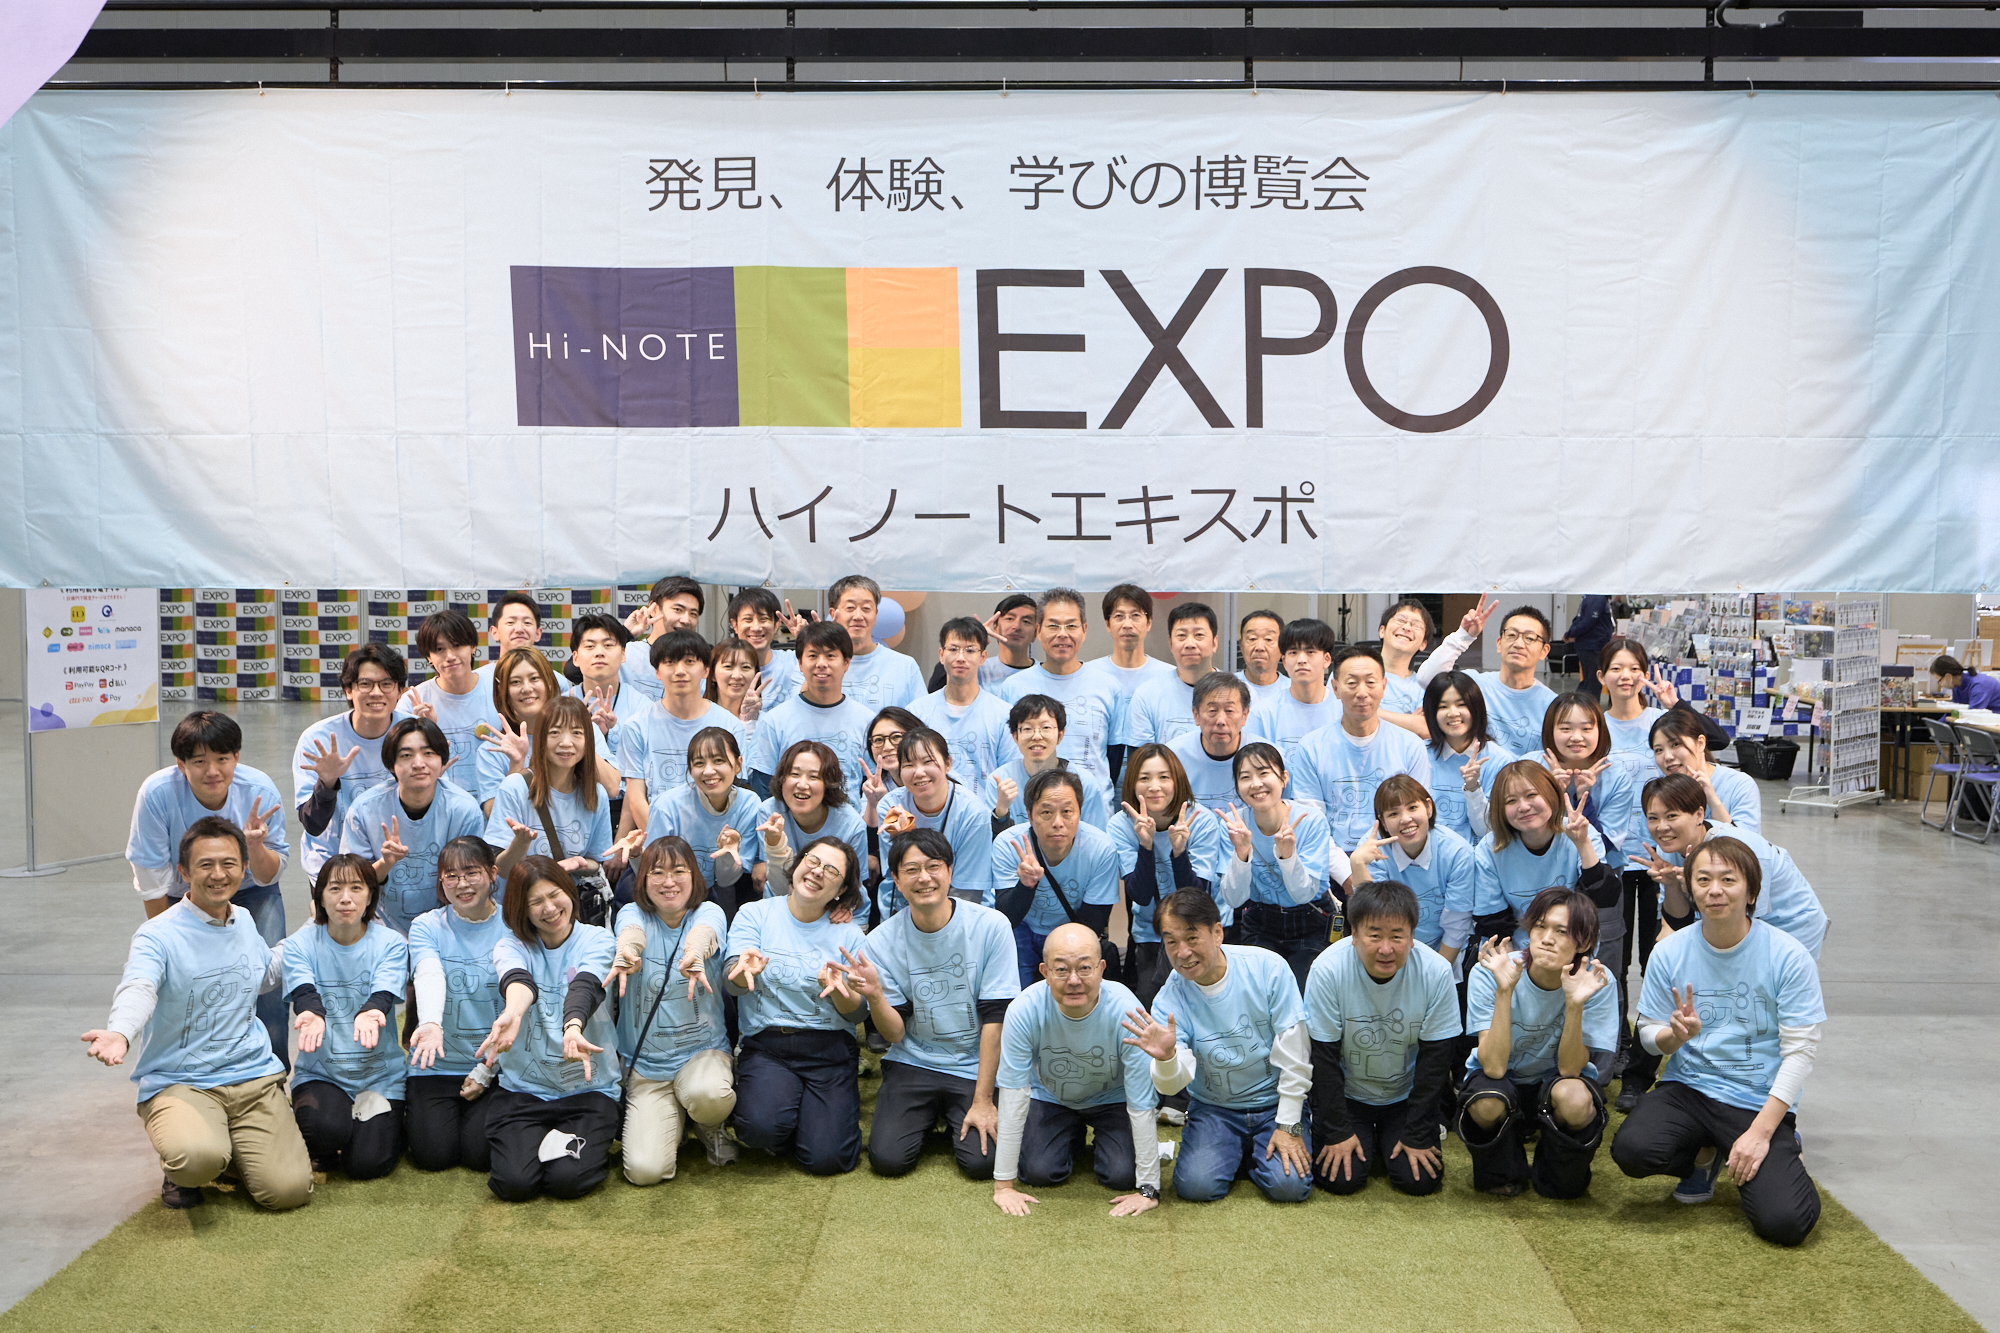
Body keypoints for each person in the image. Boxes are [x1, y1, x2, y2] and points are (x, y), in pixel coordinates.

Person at [83, 817, 313, 1212]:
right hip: (183, 1080)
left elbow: (263, 976)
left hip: (251, 1077)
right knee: (196, 1160)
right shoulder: (158, 934)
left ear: (244, 868)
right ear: (184, 872)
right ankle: (197, 1149)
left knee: (289, 1191)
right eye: (206, 864)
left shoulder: (243, 920)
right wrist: (120, 1032)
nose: (218, 874)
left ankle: (230, 1143)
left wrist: (317, 927)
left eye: (228, 863)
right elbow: (140, 986)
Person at [1611, 835, 1826, 1247]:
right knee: (1633, 1150)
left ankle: (1779, 1148)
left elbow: (1800, 1053)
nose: (1715, 890)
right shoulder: (1670, 951)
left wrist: (1761, 1133)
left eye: (1728, 880)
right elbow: (1649, 1035)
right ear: (1690, 890)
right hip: (1690, 1089)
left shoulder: (1789, 956)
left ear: (1752, 892)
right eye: (1703, 879)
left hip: (1757, 1099)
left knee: (1786, 1222)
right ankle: (1703, 1156)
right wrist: (1673, 1036)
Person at [847, 829, 1020, 1179]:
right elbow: (895, 1035)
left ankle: (950, 1112)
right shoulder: (880, 941)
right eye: (911, 870)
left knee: (982, 1164)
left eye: (933, 866)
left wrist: (983, 1100)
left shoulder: (991, 926)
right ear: (896, 880)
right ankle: (934, 1115)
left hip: (974, 1063)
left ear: (950, 871)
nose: (924, 878)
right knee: (888, 1161)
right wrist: (876, 996)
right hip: (914, 1061)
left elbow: (996, 1019)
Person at [1124, 888, 1314, 1203]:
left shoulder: (1268, 968)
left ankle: (1248, 1150)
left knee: (1289, 1187)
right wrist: (1167, 1057)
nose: (1183, 952)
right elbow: (1173, 1084)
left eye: (1192, 938)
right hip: (1215, 1108)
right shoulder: (1168, 1001)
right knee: (1196, 1187)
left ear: (1217, 933)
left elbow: (1296, 1054)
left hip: (1274, 1103)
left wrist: (1288, 1123)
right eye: (1171, 942)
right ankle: (1238, 1150)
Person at [126, 710, 291, 1058]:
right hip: (182, 896)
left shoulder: (259, 790)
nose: (212, 771)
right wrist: (166, 937)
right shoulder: (157, 793)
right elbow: (151, 879)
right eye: (199, 761)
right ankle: (185, 1061)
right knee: (182, 979)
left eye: (222, 759)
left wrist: (255, 847)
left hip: (252, 890)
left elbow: (268, 875)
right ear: (181, 764)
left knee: (267, 982)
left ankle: (273, 1068)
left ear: (236, 758)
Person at [474, 857, 623, 1202]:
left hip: (590, 1090)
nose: (550, 908)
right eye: (536, 902)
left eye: (554, 895)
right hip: (524, 1090)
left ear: (569, 892)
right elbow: (518, 980)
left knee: (567, 1181)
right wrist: (513, 1012)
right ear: (521, 909)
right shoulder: (510, 946)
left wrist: (573, 1025)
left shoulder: (598, 939)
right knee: (515, 1184)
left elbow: (585, 985)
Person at [991, 924, 1161, 1217]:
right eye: (1061, 970)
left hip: (1113, 1100)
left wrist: (1149, 1189)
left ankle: (1093, 1139)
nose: (1073, 980)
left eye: (1084, 968)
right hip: (1051, 1097)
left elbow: (1141, 1101)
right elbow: (1013, 1093)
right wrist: (1003, 1186)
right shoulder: (1024, 1009)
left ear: (1101, 969)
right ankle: (1070, 1135)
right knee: (1038, 1171)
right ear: (1044, 972)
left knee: (1121, 1175)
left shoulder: (1127, 1011)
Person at [1305, 880, 1461, 1197]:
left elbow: (1436, 1061)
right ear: (1354, 934)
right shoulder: (1327, 970)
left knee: (1419, 1181)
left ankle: (1385, 1138)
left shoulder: (1436, 972)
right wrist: (1338, 1131)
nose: (1386, 948)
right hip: (1348, 1095)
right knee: (1340, 1180)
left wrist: (1417, 1133)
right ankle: (1366, 1137)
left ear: (1412, 937)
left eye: (1397, 936)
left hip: (1405, 1096)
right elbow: (1322, 1058)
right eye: (1374, 935)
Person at [724, 836, 870, 1175]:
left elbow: (859, 1013)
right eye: (813, 861)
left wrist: (839, 992)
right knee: (758, 1128)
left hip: (829, 1050)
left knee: (827, 1160)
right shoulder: (755, 913)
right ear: (798, 864)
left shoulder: (850, 934)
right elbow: (731, 984)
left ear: (841, 890)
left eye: (831, 871)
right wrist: (742, 972)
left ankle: (814, 1119)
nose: (818, 871)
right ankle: (791, 1112)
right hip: (768, 1047)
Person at [1459, 888, 1617, 1198]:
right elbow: (1493, 1067)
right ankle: (1504, 1168)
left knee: (1575, 1100)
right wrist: (1505, 990)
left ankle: (1555, 1171)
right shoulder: (1491, 970)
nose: (1546, 939)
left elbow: (1571, 1069)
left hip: (1556, 1081)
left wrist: (1574, 1004)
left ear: (1584, 942)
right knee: (1487, 1102)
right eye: (1540, 927)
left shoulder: (1595, 980)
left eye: (1561, 931)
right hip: (1503, 1079)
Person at [605, 836, 737, 1184]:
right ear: (643, 879)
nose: (668, 882)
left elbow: (704, 934)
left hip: (702, 1053)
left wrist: (694, 953)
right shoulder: (632, 913)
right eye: (657, 872)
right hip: (647, 1067)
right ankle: (674, 1116)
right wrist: (626, 952)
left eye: (679, 871)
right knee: (644, 1171)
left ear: (694, 876)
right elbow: (631, 934)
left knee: (708, 1095)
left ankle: (707, 1123)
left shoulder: (708, 911)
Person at [282, 854, 410, 1181]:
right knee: (322, 1133)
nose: (345, 898)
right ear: (320, 897)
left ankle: (375, 1126)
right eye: (335, 888)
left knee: (367, 1165)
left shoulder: (391, 943)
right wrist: (311, 1013)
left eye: (356, 887)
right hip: (322, 1075)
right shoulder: (299, 944)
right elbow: (304, 991)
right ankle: (339, 1124)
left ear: (370, 896)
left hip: (380, 1077)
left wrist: (371, 1012)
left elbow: (383, 993)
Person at [1634, 774, 1828, 959]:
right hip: (1735, 925)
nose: (1662, 827)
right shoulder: (1668, 848)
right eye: (1653, 818)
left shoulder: (1738, 849)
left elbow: (1749, 922)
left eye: (1671, 816)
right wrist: (1672, 886)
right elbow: (1680, 922)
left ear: (1699, 814)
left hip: (1792, 925)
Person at [405, 838, 509, 1173]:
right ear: (441, 881)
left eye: (471, 873)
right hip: (435, 1062)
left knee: (479, 1156)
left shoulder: (513, 925)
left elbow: (520, 1007)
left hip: (494, 1064)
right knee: (433, 1156)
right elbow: (428, 972)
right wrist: (431, 1023)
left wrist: (488, 1069)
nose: (462, 884)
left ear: (492, 874)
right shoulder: (426, 925)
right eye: (451, 876)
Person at [340, 717, 487, 935]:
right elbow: (350, 882)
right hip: (378, 928)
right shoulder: (364, 809)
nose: (419, 763)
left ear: (442, 760)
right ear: (391, 764)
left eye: (428, 753)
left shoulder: (464, 810)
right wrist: (385, 864)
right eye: (406, 755)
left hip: (447, 926)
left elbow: (473, 883)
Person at [1216, 743, 1342, 995]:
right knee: (1261, 995)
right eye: (1245, 777)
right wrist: (1241, 854)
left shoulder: (1310, 820)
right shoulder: (1233, 826)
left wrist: (1287, 855)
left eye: (1264, 773)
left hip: (1311, 918)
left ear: (1284, 778)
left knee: (1305, 992)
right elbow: (1234, 899)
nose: (1256, 784)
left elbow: (1303, 894)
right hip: (1261, 920)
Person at [1538, 691, 1644, 982]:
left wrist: (1584, 797)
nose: (1577, 737)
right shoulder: (1533, 768)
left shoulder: (1615, 776)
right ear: (1550, 731)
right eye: (1565, 728)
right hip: (1545, 877)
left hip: (1599, 881)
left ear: (1600, 731)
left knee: (1601, 969)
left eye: (1587, 728)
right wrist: (1552, 792)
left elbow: (1606, 845)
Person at [1110, 743, 1228, 1006]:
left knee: (1205, 1004)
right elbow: (1140, 896)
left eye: (1164, 777)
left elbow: (1197, 898)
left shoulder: (1200, 820)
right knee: (1150, 1007)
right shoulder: (1120, 825)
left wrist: (1179, 851)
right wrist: (1146, 845)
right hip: (1150, 934)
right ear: (1132, 784)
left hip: (1199, 930)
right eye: (1144, 778)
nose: (1155, 787)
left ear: (1177, 781)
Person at [990, 769, 1128, 987]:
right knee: (1014, 993)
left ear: (1080, 813)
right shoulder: (1009, 844)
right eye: (1046, 812)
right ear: (1029, 815)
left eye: (1067, 811)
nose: (1057, 822)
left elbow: (1093, 922)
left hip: (1073, 930)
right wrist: (1026, 885)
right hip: (1023, 930)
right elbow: (1007, 919)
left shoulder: (1101, 849)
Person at [1289, 646, 1433, 854]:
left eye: (1370, 682)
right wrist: (1347, 870)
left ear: (1383, 686)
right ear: (1335, 689)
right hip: (1333, 859)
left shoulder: (1410, 746)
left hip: (1393, 857)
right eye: (1352, 683)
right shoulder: (1311, 747)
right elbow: (1312, 824)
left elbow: (1417, 818)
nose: (1362, 693)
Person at [614, 629, 749, 843]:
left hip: (716, 843)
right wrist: (666, 848)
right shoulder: (636, 726)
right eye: (669, 662)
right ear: (657, 672)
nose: (680, 671)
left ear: (706, 670)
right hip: (658, 844)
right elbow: (637, 799)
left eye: (689, 662)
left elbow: (735, 794)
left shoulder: (729, 725)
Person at [486, 696, 635, 887]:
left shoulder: (596, 793)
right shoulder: (515, 786)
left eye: (576, 733)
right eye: (555, 732)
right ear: (541, 739)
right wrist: (520, 844)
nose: (566, 742)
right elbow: (501, 869)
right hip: (522, 899)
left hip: (566, 900)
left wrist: (579, 864)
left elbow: (596, 860)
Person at [292, 643, 408, 881]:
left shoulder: (413, 734)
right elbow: (313, 824)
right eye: (365, 684)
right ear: (348, 690)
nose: (376, 692)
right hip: (334, 867)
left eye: (386, 684)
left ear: (400, 691)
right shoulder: (318, 740)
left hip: (398, 863)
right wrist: (327, 784)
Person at [1474, 761, 1613, 948]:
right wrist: (1511, 966)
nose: (1524, 807)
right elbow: (1493, 923)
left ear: (1551, 794)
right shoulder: (1490, 849)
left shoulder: (1580, 832)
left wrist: (1583, 843)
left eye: (1531, 795)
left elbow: (1604, 898)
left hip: (1571, 948)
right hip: (1515, 952)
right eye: (1511, 801)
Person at [1351, 774, 1480, 968]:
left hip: (1442, 953)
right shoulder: (1371, 850)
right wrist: (1357, 864)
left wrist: (1436, 974)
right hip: (1387, 951)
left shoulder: (1457, 853)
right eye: (1393, 814)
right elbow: (1371, 919)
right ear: (1382, 822)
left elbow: (1457, 926)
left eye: (1412, 808)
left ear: (1428, 807)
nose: (1405, 819)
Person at [993, 588, 1118, 786]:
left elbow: (1115, 754)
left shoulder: (1108, 686)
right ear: (1038, 630)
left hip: (1092, 801)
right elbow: (1007, 752)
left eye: (1071, 626)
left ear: (1084, 630)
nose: (1062, 634)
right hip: (1031, 800)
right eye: (1053, 626)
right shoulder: (1014, 687)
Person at [644, 726, 766, 915]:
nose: (709, 771)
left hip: (718, 889)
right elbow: (652, 871)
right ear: (690, 769)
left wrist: (726, 855)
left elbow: (726, 880)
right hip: (669, 889)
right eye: (699, 763)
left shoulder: (749, 804)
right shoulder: (667, 806)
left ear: (738, 764)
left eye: (718, 761)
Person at [748, 620, 876, 797]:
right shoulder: (775, 721)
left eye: (830, 656)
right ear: (800, 663)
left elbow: (872, 783)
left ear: (846, 663)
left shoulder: (867, 721)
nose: (821, 663)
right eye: (813, 655)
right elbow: (763, 786)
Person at [874, 729, 995, 915]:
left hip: (963, 909)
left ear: (947, 764)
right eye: (909, 765)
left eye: (928, 762)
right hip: (904, 906)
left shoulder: (973, 814)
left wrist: (909, 836)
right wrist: (901, 840)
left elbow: (968, 890)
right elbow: (896, 877)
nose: (919, 772)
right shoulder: (890, 806)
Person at [404, 610, 504, 798]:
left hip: (496, 804)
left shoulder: (501, 691)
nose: (449, 656)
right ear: (428, 657)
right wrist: (423, 729)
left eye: (457, 645)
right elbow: (401, 762)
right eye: (439, 649)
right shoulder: (413, 701)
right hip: (440, 805)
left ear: (473, 647)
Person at [910, 616, 1014, 795]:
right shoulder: (917, 712)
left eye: (970, 650)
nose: (960, 658)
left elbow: (1009, 776)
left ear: (983, 657)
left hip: (986, 811)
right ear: (941, 655)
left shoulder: (1003, 714)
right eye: (953, 649)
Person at [756, 740, 870, 902]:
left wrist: (843, 908)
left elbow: (853, 888)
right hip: (782, 902)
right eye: (794, 774)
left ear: (828, 784)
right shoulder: (769, 813)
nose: (802, 785)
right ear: (782, 779)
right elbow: (779, 888)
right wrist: (775, 846)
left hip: (834, 906)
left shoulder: (851, 825)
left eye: (813, 777)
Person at [985, 695, 1113, 832]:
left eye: (1045, 727)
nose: (1036, 736)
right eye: (1027, 729)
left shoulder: (1084, 782)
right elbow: (991, 839)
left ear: (1060, 735)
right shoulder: (1000, 781)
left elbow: (1096, 836)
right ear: (1015, 737)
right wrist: (1001, 812)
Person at [1092, 584, 1178, 775]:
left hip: (1154, 780)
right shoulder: (1090, 675)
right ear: (1108, 624)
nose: (1127, 624)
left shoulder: (1169, 676)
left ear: (1149, 622)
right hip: (1100, 779)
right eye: (1119, 616)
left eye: (1135, 615)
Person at [1420, 671, 1514, 843]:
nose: (1453, 713)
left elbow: (1487, 830)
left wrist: (1473, 788)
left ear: (1476, 708)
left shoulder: (1500, 761)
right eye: (1443, 707)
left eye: (1461, 704)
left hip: (1476, 854)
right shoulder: (1418, 754)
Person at [563, 611, 637, 819]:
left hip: (627, 809)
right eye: (589, 646)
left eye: (608, 645)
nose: (599, 653)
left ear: (623, 654)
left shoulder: (643, 708)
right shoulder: (559, 707)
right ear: (575, 658)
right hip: (572, 808)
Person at [1379, 595, 1497, 718]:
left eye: (1416, 625)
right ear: (1382, 630)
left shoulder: (1423, 686)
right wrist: (1409, 720)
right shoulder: (1364, 670)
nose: (1406, 627)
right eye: (1400, 620)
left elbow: (1422, 726)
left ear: (1423, 644)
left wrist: (1463, 636)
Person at [1244, 617, 1341, 767]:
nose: (1301, 660)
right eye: (1293, 652)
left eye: (1310, 652)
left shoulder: (1344, 710)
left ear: (1326, 659)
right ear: (1284, 661)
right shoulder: (1263, 713)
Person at [1125, 600, 1223, 749]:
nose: (1190, 644)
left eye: (1199, 635)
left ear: (1214, 643)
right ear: (1170, 643)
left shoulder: (1237, 693)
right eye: (1181, 636)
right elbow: (1140, 759)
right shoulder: (1147, 695)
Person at [1649, 706, 1762, 833]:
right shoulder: (1660, 791)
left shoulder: (1740, 785)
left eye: (1675, 744)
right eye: (1659, 750)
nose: (1667, 757)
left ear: (1700, 743)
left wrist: (1712, 800)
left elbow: (1746, 842)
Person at [474, 645, 559, 811]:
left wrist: (580, 733)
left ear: (549, 682)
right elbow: (493, 814)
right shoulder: (491, 751)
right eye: (515, 682)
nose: (526, 689)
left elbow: (611, 788)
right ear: (503, 692)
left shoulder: (582, 733)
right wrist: (516, 765)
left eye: (534, 679)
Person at [827, 575, 927, 710]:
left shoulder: (905, 666)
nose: (858, 616)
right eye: (850, 607)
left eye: (866, 608)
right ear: (833, 614)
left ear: (876, 614)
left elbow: (921, 718)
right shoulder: (819, 665)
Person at [1470, 606, 1559, 757]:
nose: (1519, 644)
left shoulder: (1553, 705)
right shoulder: (1474, 685)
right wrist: (1464, 636)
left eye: (1530, 638)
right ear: (1499, 643)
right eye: (1512, 635)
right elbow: (1430, 679)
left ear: (1544, 651)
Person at [1167, 672, 1255, 811]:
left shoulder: (1266, 758)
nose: (1221, 721)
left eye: (1229, 710)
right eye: (1212, 710)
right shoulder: (1172, 757)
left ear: (1245, 715)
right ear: (1196, 715)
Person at [619, 575, 706, 703]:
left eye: (693, 614)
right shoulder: (627, 654)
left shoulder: (701, 662)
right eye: (678, 610)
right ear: (654, 609)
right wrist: (625, 634)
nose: (686, 620)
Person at [725, 586, 804, 712]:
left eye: (763, 619)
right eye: (748, 620)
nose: (756, 627)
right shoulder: (723, 670)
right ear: (734, 625)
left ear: (776, 624)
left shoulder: (795, 661)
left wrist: (807, 639)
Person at [1598, 636, 1668, 773]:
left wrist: (1674, 705)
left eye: (1634, 669)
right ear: (1601, 677)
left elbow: (1711, 739)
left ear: (1646, 676)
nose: (1625, 676)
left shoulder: (1663, 720)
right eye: (1616, 668)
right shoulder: (1594, 728)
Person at [472, 592, 545, 698]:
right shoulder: (476, 683)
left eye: (527, 623)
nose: (519, 629)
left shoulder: (556, 681)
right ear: (494, 632)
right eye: (510, 622)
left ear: (538, 633)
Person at [704, 635, 766, 744]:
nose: (737, 676)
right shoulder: (698, 717)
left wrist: (749, 722)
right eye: (728, 666)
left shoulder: (766, 723)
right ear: (712, 673)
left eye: (746, 667)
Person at [978, 593, 1040, 690]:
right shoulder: (977, 670)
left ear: (1035, 634)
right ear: (995, 627)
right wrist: (973, 642)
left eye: (1026, 621)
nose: (1016, 626)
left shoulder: (1044, 674)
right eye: (1010, 619)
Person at [1562, 595, 1617, 701]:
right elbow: (1587, 621)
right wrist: (1570, 634)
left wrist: (1571, 633)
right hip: (1593, 645)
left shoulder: (1591, 597)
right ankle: (1588, 708)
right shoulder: (1596, 597)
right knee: (1593, 683)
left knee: (1588, 682)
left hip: (1590, 644)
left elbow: (1581, 619)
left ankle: (1580, 706)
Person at [1236, 609, 1288, 708]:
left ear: (1282, 646)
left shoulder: (1294, 690)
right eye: (1252, 639)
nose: (1259, 647)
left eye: (1268, 639)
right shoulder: (1224, 688)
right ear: (1241, 645)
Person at [1931, 653, 2000, 709]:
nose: (1940, 683)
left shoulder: (1979, 685)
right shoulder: (1957, 686)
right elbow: (1954, 711)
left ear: (1948, 676)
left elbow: (1974, 713)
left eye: (1939, 680)